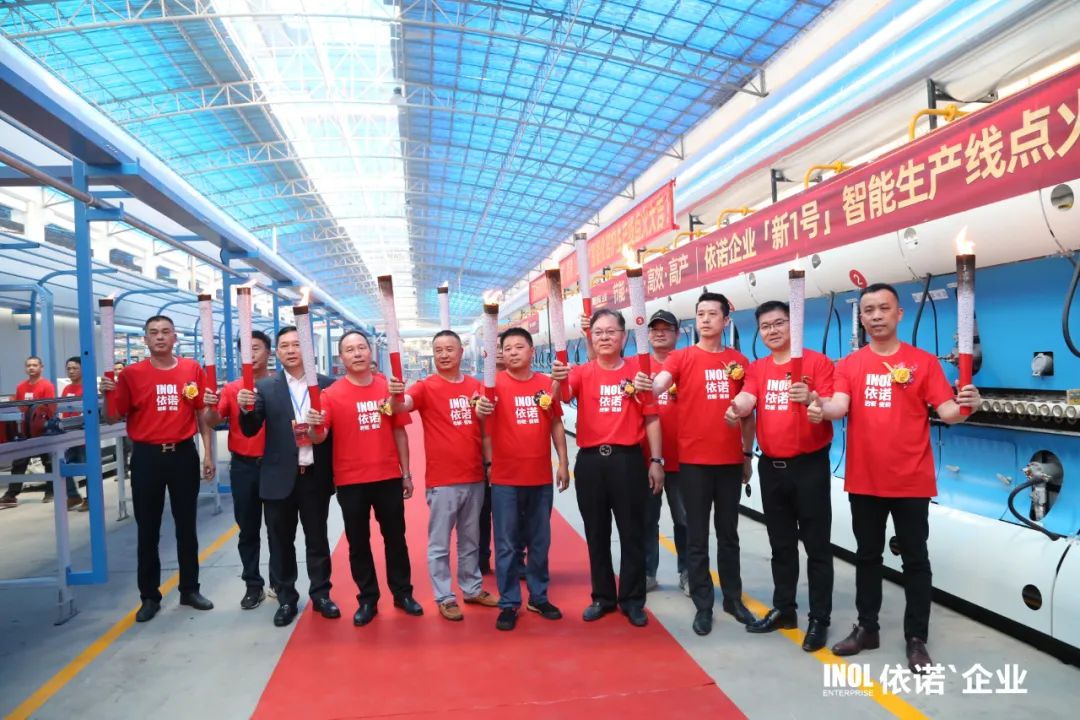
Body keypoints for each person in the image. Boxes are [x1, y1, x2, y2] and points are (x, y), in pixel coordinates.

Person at [807, 283, 981, 672]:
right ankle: (867, 628)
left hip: (911, 479)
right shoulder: (849, 365)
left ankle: (916, 638)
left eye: (884, 308)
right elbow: (838, 407)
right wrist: (819, 407)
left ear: (899, 314)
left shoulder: (923, 363)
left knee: (915, 560)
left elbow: (949, 412)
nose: (876, 316)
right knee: (867, 556)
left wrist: (970, 405)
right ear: (861, 317)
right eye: (869, 310)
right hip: (865, 479)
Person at [644, 292, 755, 637]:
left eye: (712, 314)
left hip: (729, 461)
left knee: (729, 534)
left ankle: (733, 599)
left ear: (725, 320)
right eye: (701, 314)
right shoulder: (682, 357)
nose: (706, 320)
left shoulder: (738, 361)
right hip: (693, 463)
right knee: (696, 535)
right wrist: (650, 386)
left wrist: (747, 455)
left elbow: (748, 412)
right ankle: (703, 603)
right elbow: (661, 382)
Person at [726, 301, 834, 651]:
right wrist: (737, 407)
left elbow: (831, 404)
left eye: (779, 323)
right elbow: (748, 397)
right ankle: (785, 609)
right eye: (765, 326)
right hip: (772, 468)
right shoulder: (758, 368)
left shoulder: (817, 362)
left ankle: (819, 618)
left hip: (810, 467)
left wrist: (814, 399)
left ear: (793, 324)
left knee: (817, 546)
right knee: (781, 545)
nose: (772, 330)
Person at [101, 315, 216, 623]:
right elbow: (111, 418)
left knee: (186, 526)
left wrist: (208, 454)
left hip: (182, 455)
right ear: (146, 340)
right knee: (148, 529)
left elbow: (202, 414)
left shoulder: (191, 369)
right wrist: (106, 394)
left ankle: (190, 589)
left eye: (166, 331)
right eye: (153, 332)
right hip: (147, 458)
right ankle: (149, 596)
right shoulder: (131, 375)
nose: (160, 337)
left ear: (175, 337)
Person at [310, 330, 423, 626]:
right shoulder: (330, 395)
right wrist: (312, 427)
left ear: (370, 352)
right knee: (358, 543)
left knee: (395, 539)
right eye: (350, 350)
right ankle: (368, 598)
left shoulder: (388, 388)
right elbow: (319, 437)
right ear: (341, 357)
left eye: (361, 347)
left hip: (387, 477)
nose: (357, 353)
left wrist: (406, 473)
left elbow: (399, 431)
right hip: (351, 481)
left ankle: (402, 593)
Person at [561, 309, 663, 628]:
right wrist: (558, 376)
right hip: (591, 462)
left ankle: (632, 599)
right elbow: (560, 397)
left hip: (628, 460)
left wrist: (656, 461)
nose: (605, 337)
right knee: (597, 532)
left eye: (611, 331)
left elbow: (651, 417)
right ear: (591, 337)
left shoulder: (638, 372)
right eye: (599, 332)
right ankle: (602, 597)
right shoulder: (581, 373)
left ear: (624, 335)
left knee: (632, 532)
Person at [388, 330, 497, 621]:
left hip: (474, 476)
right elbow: (401, 406)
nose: (444, 354)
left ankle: (471, 588)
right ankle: (445, 596)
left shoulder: (475, 386)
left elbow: (486, 428)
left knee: (470, 540)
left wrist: (489, 465)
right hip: (442, 480)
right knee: (439, 544)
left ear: (461, 352)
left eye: (450, 349)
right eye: (439, 350)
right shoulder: (425, 387)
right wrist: (395, 393)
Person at [237, 326, 339, 627]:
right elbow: (250, 428)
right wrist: (246, 408)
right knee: (281, 542)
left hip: (314, 476)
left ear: (308, 349)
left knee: (317, 540)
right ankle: (286, 599)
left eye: (297, 344)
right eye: (285, 346)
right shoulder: (266, 388)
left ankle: (321, 595)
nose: (291, 350)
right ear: (277, 353)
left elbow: (337, 433)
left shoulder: (328, 385)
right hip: (278, 477)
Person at [476, 328, 570, 630]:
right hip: (505, 480)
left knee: (539, 541)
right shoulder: (492, 385)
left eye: (519, 347)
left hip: (540, 478)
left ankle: (538, 597)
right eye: (508, 348)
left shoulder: (546, 385)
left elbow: (556, 423)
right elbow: (481, 414)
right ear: (501, 354)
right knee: (506, 544)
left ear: (532, 351)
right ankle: (509, 602)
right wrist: (480, 407)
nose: (513, 352)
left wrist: (564, 462)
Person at [204, 331, 276, 611]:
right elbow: (212, 420)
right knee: (248, 529)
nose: (251, 354)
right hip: (244, 467)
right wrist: (210, 406)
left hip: (274, 466)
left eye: (256, 348)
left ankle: (279, 583)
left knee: (278, 529)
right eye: (245, 350)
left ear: (268, 352)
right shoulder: (232, 389)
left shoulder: (278, 386)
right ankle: (253, 585)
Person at [641, 310, 689, 595]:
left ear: (677, 334)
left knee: (686, 520)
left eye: (666, 329)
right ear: (648, 334)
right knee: (648, 519)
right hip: (647, 459)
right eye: (655, 329)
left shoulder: (688, 363)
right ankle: (648, 573)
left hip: (684, 459)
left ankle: (688, 572)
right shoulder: (638, 366)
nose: (660, 333)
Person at [1, 356, 58, 507]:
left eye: (34, 365)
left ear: (41, 367)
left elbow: (50, 409)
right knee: (19, 461)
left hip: (42, 431)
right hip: (24, 432)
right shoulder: (21, 386)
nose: (31, 368)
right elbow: (18, 408)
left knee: (48, 461)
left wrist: (45, 426)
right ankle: (11, 494)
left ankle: (51, 491)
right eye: (28, 365)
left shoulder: (47, 386)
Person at [478, 344, 508, 575]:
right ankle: (481, 558)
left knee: (510, 515)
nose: (499, 351)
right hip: (483, 460)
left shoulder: (522, 384)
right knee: (482, 511)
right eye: (494, 346)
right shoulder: (479, 388)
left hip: (512, 460)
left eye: (502, 347)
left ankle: (512, 560)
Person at [59, 357, 89, 511]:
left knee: (89, 468)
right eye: (69, 369)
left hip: (84, 436)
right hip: (68, 435)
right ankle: (73, 496)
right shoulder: (66, 389)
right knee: (63, 466)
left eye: (75, 368)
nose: (71, 371)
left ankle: (91, 499)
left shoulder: (88, 388)